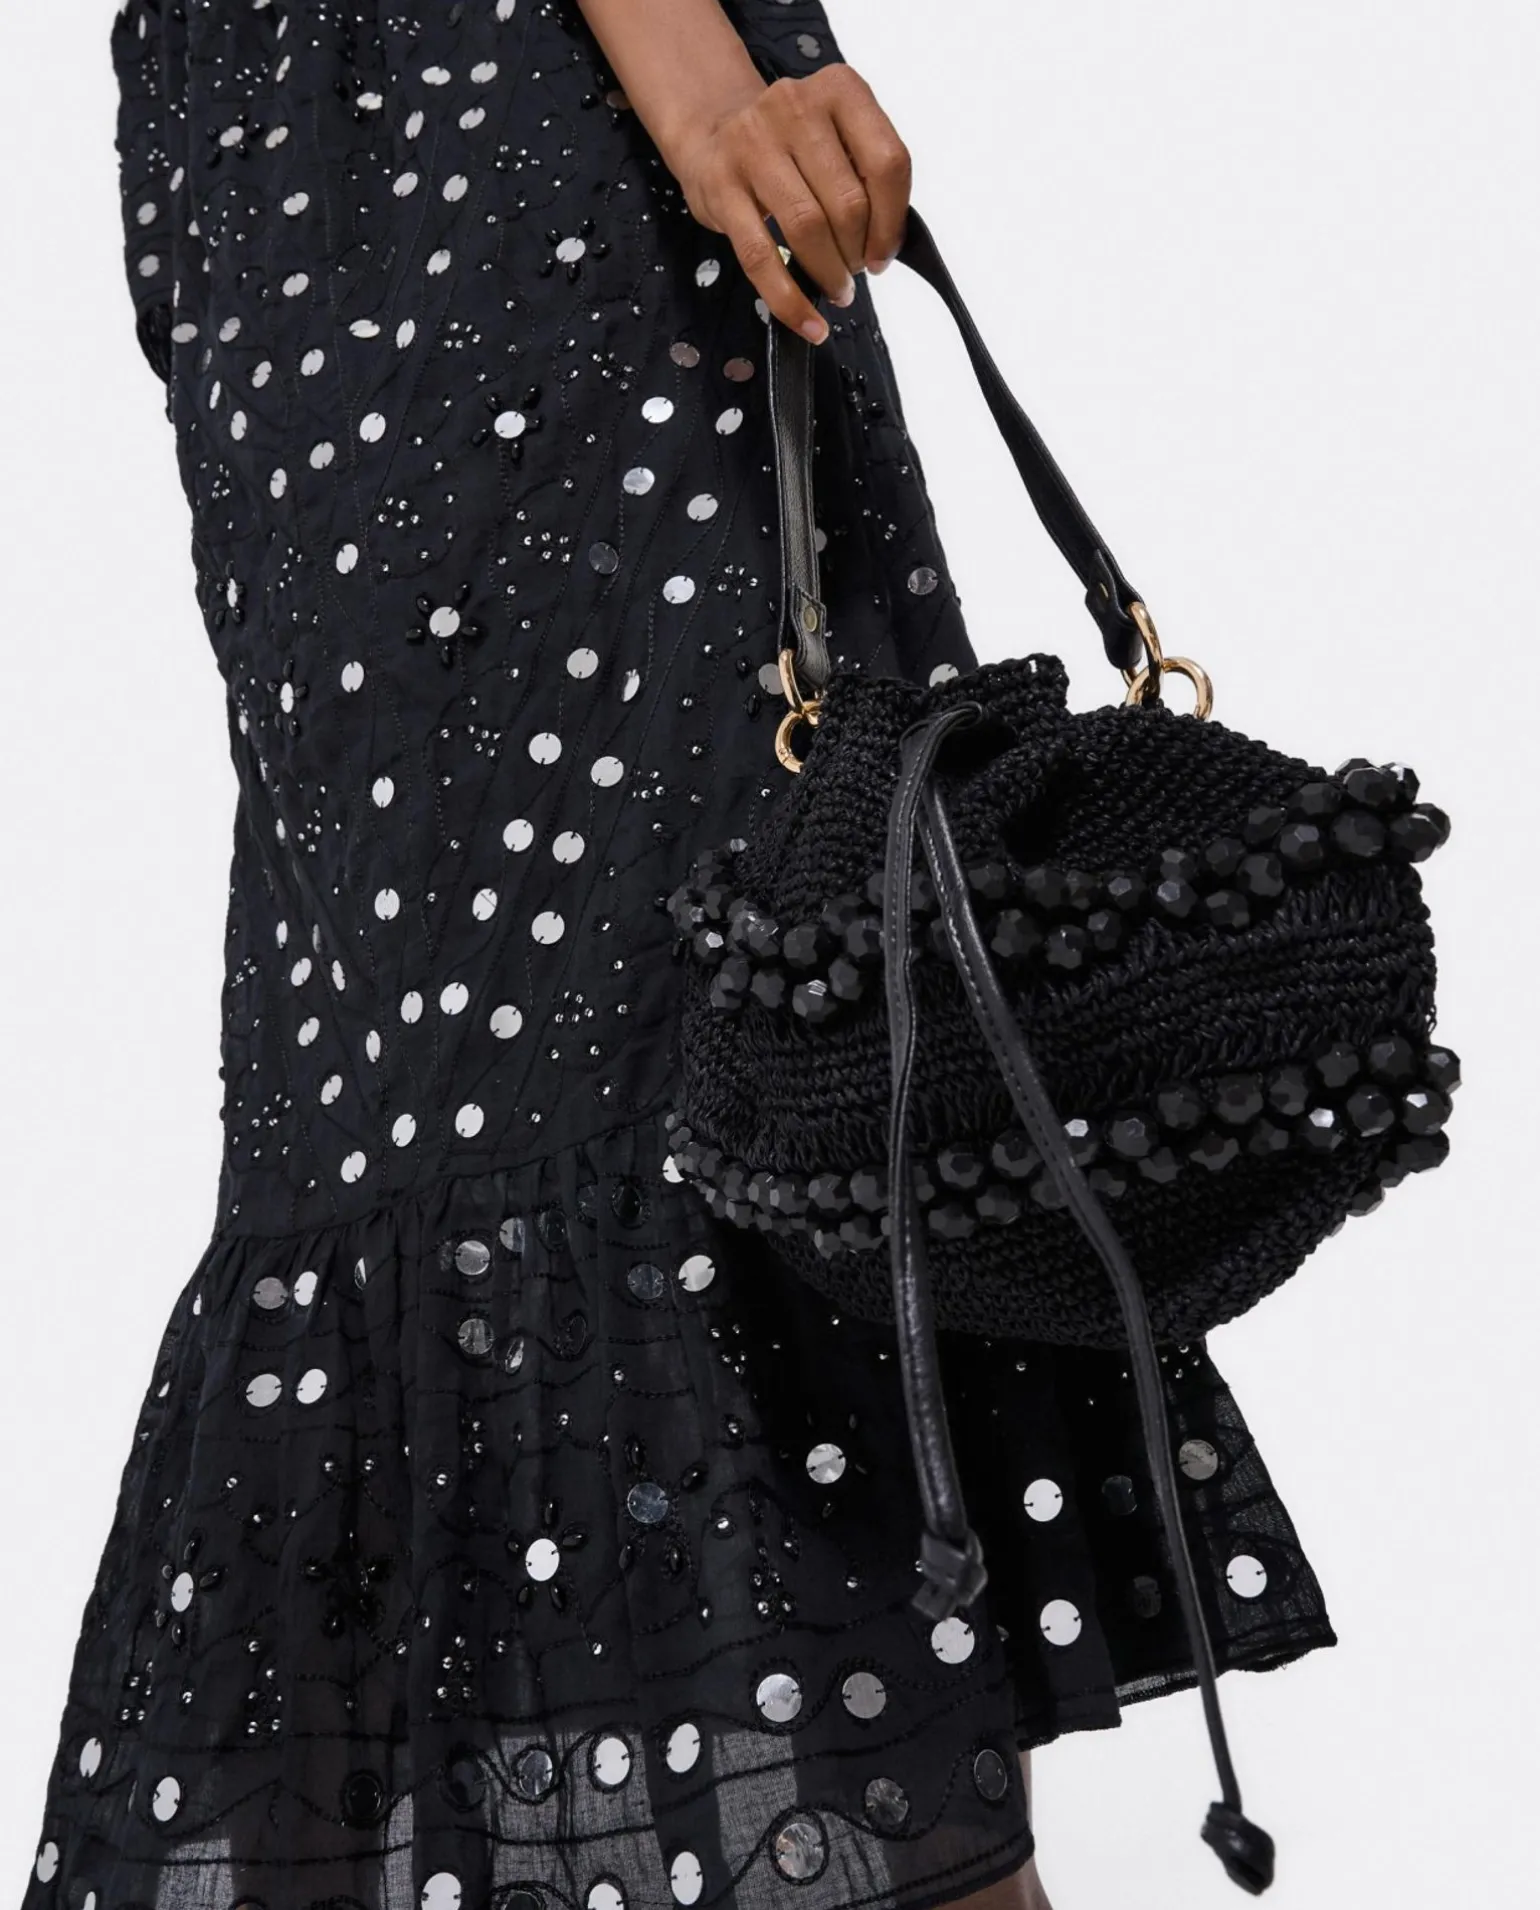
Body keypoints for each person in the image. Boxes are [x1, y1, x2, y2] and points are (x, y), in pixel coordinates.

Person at [22, 5, 1336, 1907]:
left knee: (743, 1055)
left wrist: (693, 77)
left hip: (515, 123)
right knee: (591, 1083)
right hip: (334, 144)